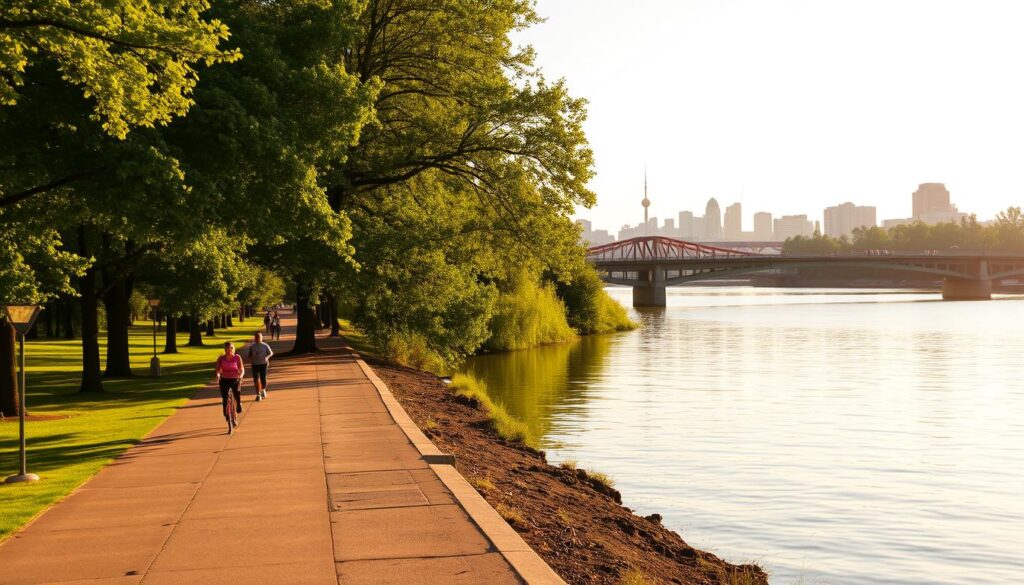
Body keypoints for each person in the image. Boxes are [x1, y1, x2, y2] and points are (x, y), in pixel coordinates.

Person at [215, 341, 244, 422]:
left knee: (237, 392)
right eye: (228, 348)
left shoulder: (237, 357)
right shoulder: (221, 358)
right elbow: (217, 369)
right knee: (225, 397)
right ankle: (226, 412)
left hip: (235, 378)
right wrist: (218, 375)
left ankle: (238, 404)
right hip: (224, 379)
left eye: (231, 348)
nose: (229, 349)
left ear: (233, 348)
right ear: (225, 349)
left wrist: (241, 376)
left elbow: (241, 368)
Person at [246, 332, 274, 401]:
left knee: (263, 378)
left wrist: (267, 357)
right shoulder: (252, 346)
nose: (257, 338)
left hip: (263, 364)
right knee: (256, 379)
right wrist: (252, 356)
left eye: (259, 337)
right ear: (254, 338)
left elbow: (271, 353)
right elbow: (249, 356)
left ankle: (263, 389)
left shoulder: (265, 345)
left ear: (262, 338)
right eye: (256, 337)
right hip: (255, 364)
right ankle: (258, 394)